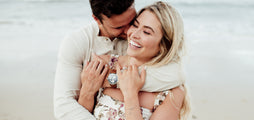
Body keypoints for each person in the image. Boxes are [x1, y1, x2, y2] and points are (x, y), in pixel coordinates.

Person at [54, 0, 184, 119]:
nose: (129, 32)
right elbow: (64, 107)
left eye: (132, 21)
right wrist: (88, 93)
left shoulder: (170, 88)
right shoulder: (79, 44)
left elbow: (176, 76)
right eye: (118, 27)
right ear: (97, 20)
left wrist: (116, 82)